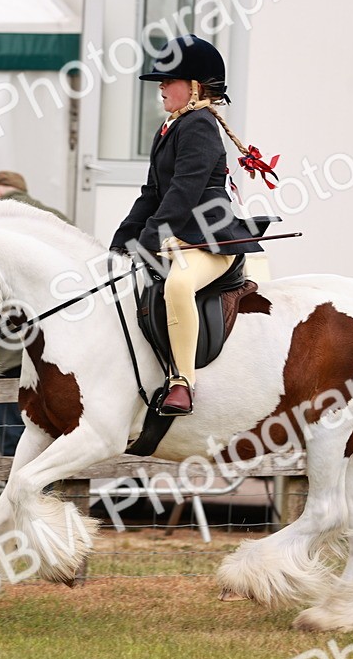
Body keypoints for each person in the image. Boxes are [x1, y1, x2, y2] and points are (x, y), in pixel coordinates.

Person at [109, 35, 266, 416]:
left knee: (177, 284)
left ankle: (182, 382)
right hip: (179, 237)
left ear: (194, 87)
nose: (161, 87)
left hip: (212, 241)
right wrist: (123, 239)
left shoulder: (198, 126)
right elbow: (152, 193)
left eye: (168, 80)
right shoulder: (170, 127)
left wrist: (148, 240)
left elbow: (182, 194)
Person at [0, 170, 69, 455]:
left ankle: (18, 495)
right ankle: (50, 493)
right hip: (59, 350)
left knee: (14, 433)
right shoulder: (57, 220)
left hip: (11, 348)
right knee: (54, 430)